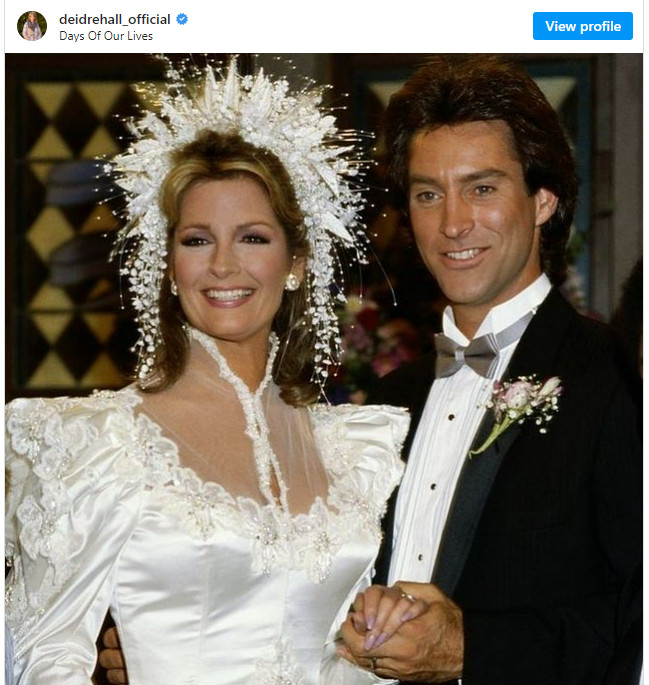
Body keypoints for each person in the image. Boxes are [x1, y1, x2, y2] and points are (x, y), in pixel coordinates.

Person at [4, 59, 414, 684]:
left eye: (253, 238)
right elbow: (43, 656)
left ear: (296, 262)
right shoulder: (94, 442)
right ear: (169, 266)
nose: (223, 265)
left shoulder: (350, 449)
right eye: (197, 240)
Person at [337, 55, 642, 684]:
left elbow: (633, 622)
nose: (452, 224)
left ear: (543, 200)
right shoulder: (388, 401)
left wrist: (471, 649)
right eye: (428, 194)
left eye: (482, 189)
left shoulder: (618, 379)